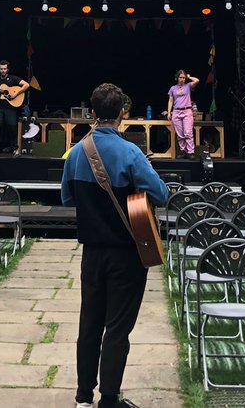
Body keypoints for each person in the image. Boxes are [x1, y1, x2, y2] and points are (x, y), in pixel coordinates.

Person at [62, 82, 170, 408]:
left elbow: (68, 198)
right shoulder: (130, 152)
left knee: (89, 324)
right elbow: (162, 195)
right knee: (117, 328)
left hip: (91, 254)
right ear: (123, 113)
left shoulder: (77, 151)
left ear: (92, 113)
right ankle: (109, 399)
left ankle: (83, 398)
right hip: (126, 254)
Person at [166, 69, 199, 157]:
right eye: (180, 77)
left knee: (188, 133)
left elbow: (197, 80)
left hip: (187, 111)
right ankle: (183, 151)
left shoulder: (188, 86)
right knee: (180, 134)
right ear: (177, 78)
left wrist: (189, 77)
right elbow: (170, 100)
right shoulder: (173, 88)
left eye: (184, 78)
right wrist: (169, 112)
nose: (182, 79)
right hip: (176, 111)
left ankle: (190, 152)